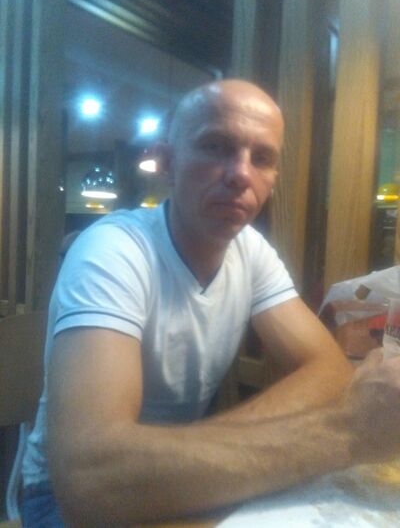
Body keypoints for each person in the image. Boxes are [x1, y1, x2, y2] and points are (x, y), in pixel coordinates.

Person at [21, 80, 400, 526]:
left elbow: (329, 368)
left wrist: (201, 452)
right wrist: (347, 433)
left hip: (181, 483)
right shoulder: (113, 250)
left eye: (262, 158)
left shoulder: (249, 250)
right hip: (59, 499)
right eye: (215, 146)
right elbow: (92, 482)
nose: (241, 174)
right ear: (167, 163)